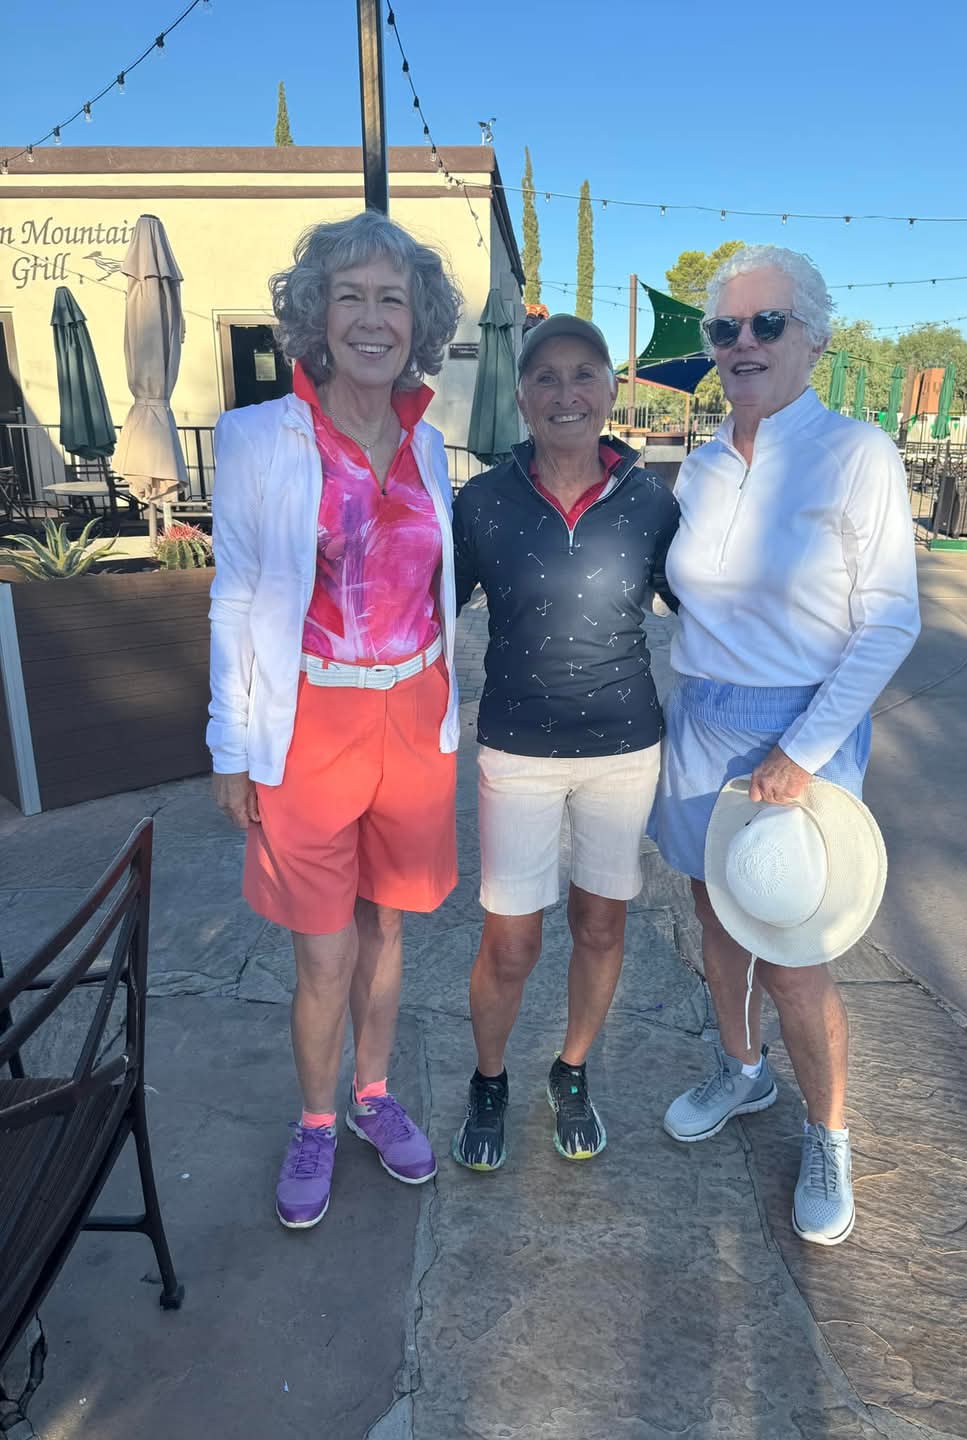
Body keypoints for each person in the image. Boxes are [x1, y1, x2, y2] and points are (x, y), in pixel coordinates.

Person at [652, 245, 921, 1245]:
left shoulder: (857, 455)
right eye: (725, 328)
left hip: (797, 734)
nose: (744, 343)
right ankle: (741, 1069)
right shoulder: (702, 464)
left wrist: (803, 751)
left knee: (794, 955)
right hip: (701, 720)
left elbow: (889, 621)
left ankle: (828, 1133)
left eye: (767, 323)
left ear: (813, 337)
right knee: (716, 917)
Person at [207, 212, 463, 1229]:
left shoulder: (430, 444)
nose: (370, 318)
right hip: (310, 719)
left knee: (385, 926)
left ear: (417, 321)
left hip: (415, 713)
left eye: (391, 299)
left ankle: (373, 1093)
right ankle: (316, 1120)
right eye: (349, 296)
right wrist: (231, 747)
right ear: (316, 315)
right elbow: (233, 596)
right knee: (323, 950)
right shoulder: (257, 437)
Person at [451, 314, 679, 1169]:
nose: (566, 393)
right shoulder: (482, 501)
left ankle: (572, 1069)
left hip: (624, 749)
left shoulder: (652, 502)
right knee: (511, 943)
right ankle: (489, 1079)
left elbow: (711, 602)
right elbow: (422, 613)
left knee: (601, 925)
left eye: (584, 374)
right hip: (518, 752)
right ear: (521, 397)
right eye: (545, 377)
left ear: (612, 390)